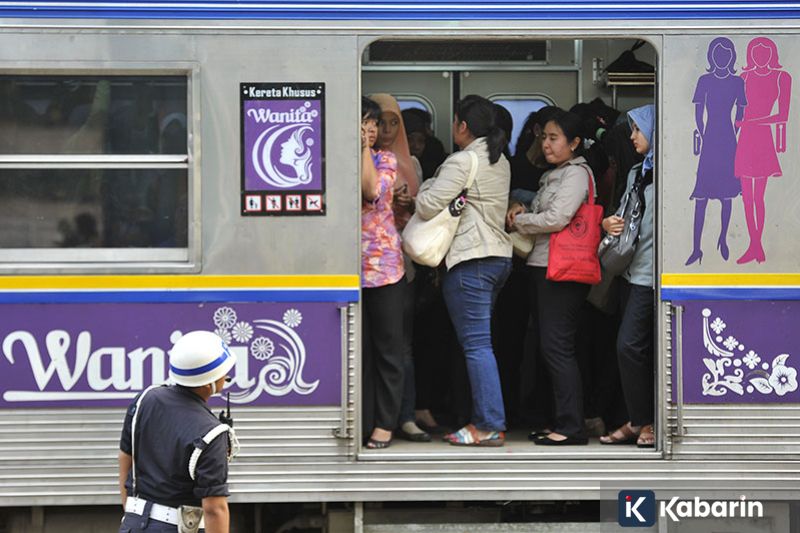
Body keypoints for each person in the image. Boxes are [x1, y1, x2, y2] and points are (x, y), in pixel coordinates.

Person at [415, 95, 513, 447]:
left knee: (476, 346)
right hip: (498, 258)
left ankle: (487, 424)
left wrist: (427, 182)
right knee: (481, 344)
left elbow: (426, 206)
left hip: (471, 259)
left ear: (463, 127)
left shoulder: (462, 160)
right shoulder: (499, 159)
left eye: (455, 122)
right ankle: (487, 419)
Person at [507, 110, 594, 446]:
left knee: (557, 347)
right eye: (543, 137)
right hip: (545, 266)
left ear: (574, 143)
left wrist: (521, 223)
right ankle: (559, 420)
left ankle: (572, 427)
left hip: (561, 270)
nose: (545, 144)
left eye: (554, 138)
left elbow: (557, 218)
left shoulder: (575, 175)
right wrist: (526, 213)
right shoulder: (554, 174)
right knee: (547, 345)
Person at [118, 330, 237, 533]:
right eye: (223, 373)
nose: (226, 376)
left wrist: (131, 511)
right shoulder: (212, 432)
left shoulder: (146, 399)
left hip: (133, 524)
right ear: (209, 383)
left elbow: (125, 458)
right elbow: (215, 509)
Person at [369, 93, 430, 443]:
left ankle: (404, 416)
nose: (388, 129)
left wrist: (411, 204)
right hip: (371, 260)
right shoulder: (369, 161)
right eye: (382, 123)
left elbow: (427, 213)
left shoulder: (413, 164)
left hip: (401, 264)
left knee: (400, 346)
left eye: (395, 123)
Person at [599, 104, 656, 448]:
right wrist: (608, 223)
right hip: (634, 271)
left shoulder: (672, 173)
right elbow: (624, 212)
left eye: (638, 129)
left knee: (629, 346)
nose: (633, 136)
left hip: (654, 275)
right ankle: (640, 420)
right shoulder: (639, 172)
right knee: (633, 349)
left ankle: (643, 422)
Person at [360, 96, 406, 449]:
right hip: (346, 271)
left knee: (388, 348)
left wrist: (363, 150)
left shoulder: (385, 160)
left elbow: (372, 190)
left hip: (385, 269)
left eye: (373, 123)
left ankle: (385, 424)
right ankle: (360, 420)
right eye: (364, 122)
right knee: (357, 351)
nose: (371, 129)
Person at [687, 37, 746, 265]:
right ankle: (696, 248)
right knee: (701, 196)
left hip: (728, 140)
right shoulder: (704, 80)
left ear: (731, 57)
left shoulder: (737, 82)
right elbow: (698, 112)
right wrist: (702, 134)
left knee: (727, 196)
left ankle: (723, 238)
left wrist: (735, 133)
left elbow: (740, 112)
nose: (722, 58)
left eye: (726, 55)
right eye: (718, 55)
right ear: (712, 56)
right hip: (711, 138)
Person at [733, 37, 791, 264]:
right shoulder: (744, 77)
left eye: (764, 53)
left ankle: (756, 245)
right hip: (745, 139)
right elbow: (738, 113)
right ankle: (754, 245)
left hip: (762, 139)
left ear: (772, 54)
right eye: (755, 54)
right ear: (750, 56)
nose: (760, 58)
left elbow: (783, 116)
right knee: (747, 197)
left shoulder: (782, 77)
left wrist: (751, 123)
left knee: (758, 197)